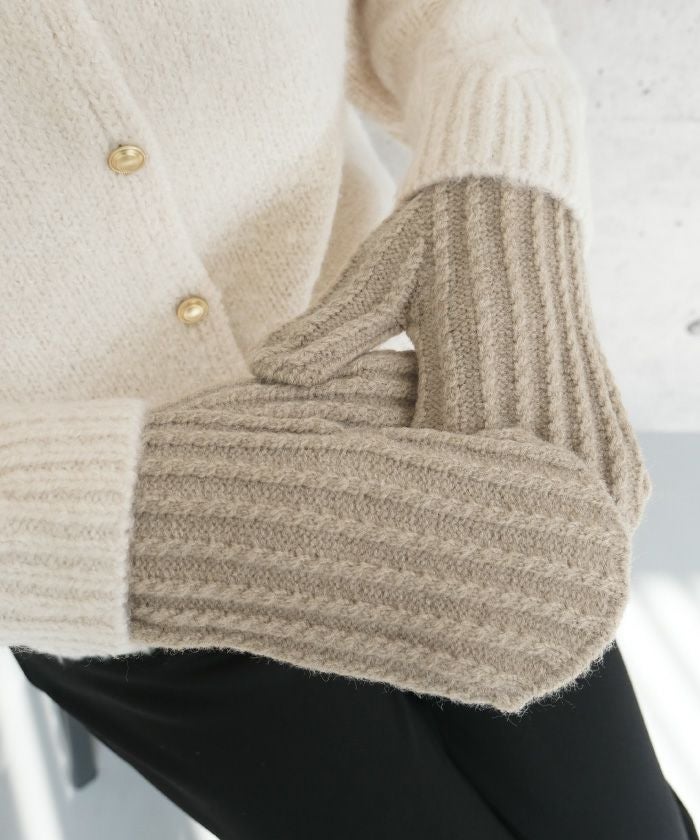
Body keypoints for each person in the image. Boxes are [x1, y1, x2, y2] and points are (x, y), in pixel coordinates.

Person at [2, 1, 697, 837]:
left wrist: (501, 188)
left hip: (417, 424)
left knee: (625, 825)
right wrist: (150, 515)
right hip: (103, 573)